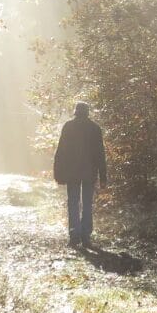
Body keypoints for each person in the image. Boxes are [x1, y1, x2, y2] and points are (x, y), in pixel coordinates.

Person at [53, 102, 108, 247]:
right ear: (87, 113)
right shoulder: (95, 129)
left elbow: (61, 151)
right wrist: (103, 177)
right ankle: (85, 236)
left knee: (73, 203)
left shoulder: (69, 127)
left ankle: (74, 235)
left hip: (72, 172)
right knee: (87, 204)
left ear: (75, 113)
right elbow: (100, 154)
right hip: (89, 172)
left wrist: (58, 173)